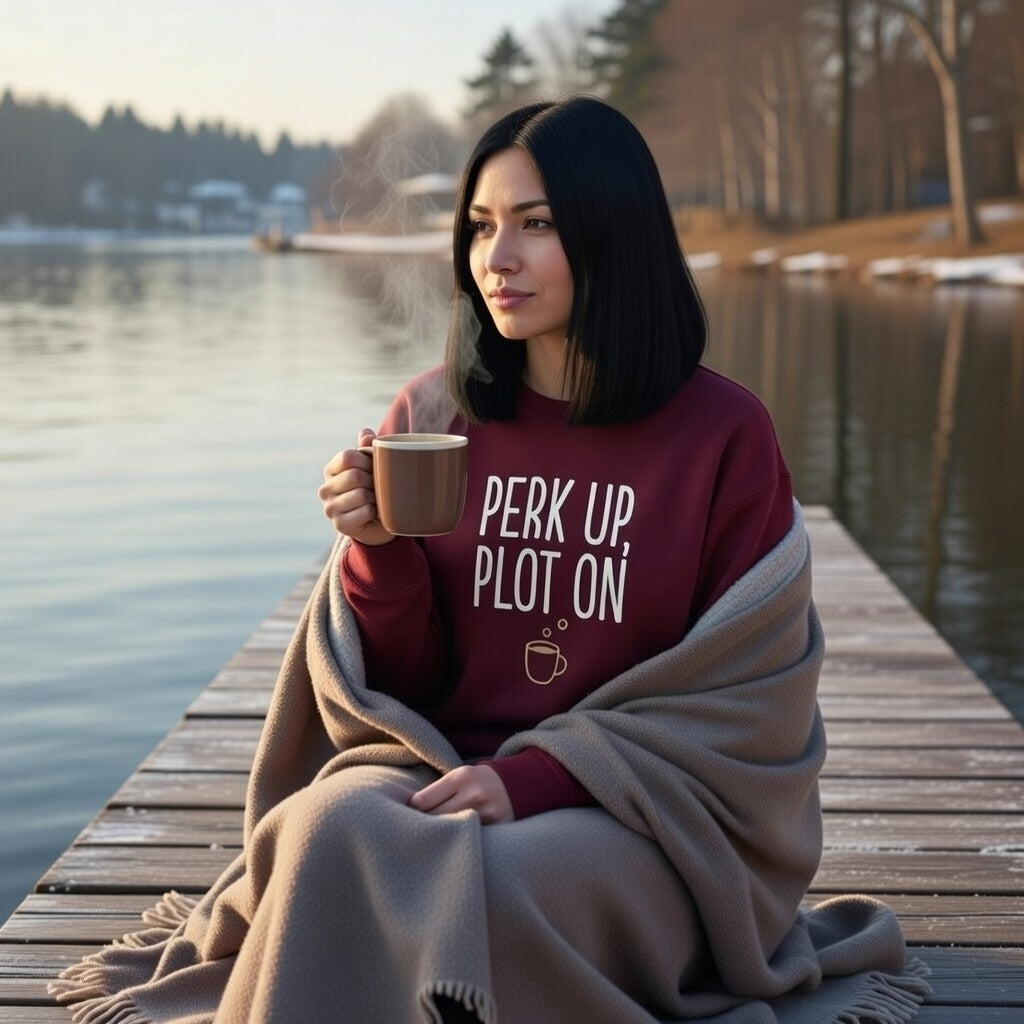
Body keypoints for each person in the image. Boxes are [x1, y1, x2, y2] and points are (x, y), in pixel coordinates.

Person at [52, 97, 929, 1024]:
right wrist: (378, 554)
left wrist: (537, 776)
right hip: (433, 770)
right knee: (322, 828)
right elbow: (396, 690)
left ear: (614, 232)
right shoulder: (430, 417)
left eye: (535, 224)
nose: (496, 257)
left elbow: (750, 699)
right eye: (479, 226)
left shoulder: (722, 434)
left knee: (505, 885)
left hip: (639, 810)